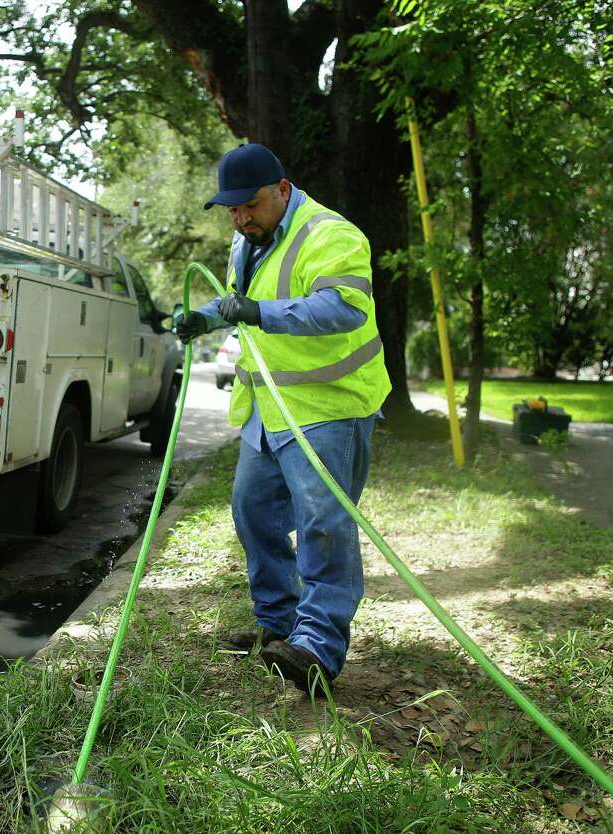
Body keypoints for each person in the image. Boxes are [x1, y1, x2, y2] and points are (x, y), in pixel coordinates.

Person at [175, 143, 391, 693]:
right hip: (268, 412)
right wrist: (200, 319)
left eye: (250, 205)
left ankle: (318, 648)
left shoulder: (331, 235)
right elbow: (237, 303)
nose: (241, 217)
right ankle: (279, 628)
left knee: (323, 525)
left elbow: (343, 306)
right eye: (232, 210)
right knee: (253, 512)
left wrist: (260, 313)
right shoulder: (246, 242)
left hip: (327, 407)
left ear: (283, 190)